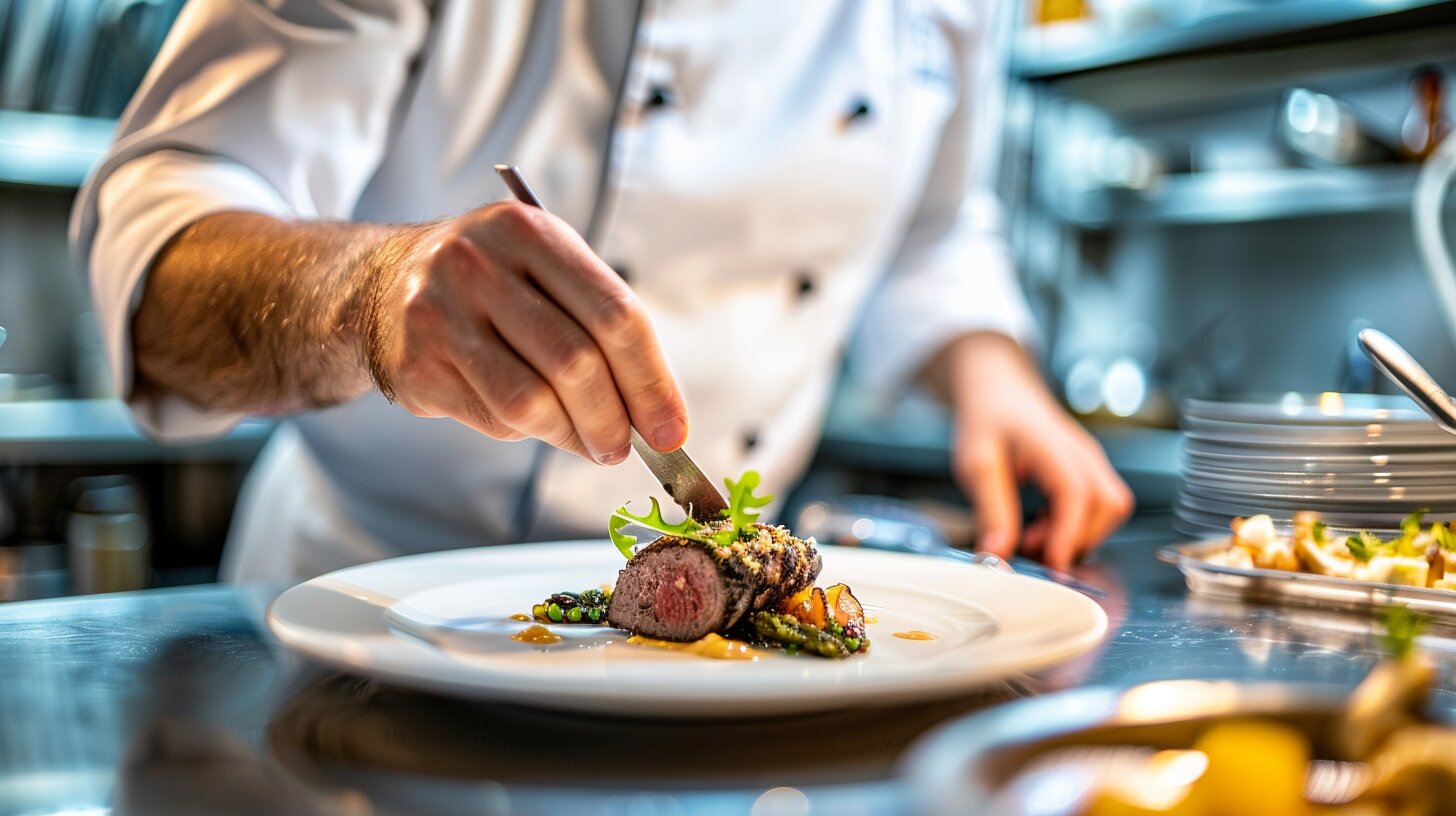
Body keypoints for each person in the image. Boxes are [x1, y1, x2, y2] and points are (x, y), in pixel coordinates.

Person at [72, 0, 1133, 582]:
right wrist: (371, 295)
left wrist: (993, 376)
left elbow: (936, 227)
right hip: (366, 607)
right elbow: (162, 243)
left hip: (712, 661)